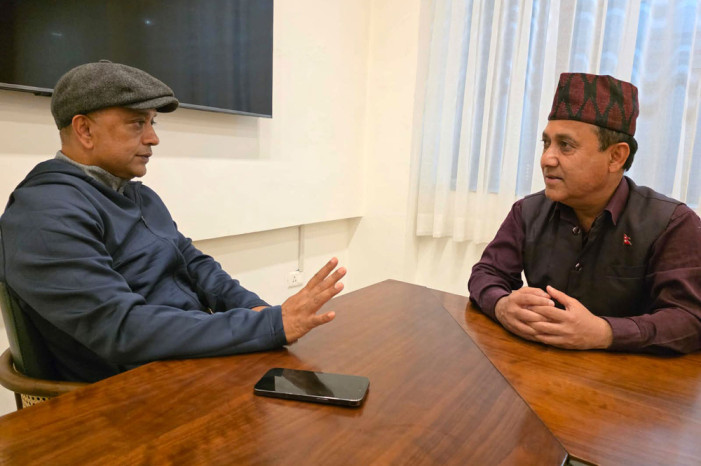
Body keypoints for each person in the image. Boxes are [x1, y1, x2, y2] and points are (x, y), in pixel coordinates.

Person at [0, 61, 346, 382]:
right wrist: (267, 325)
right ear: (85, 130)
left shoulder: (140, 196)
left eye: (152, 123)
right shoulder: (44, 214)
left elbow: (196, 265)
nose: (153, 138)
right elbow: (122, 329)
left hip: (185, 364)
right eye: (137, 123)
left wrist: (253, 308)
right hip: (130, 394)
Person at [468, 72, 701, 354]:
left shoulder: (671, 223)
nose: (546, 159)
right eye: (546, 143)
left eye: (565, 146)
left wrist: (604, 333)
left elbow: (689, 319)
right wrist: (502, 305)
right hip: (538, 366)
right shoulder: (528, 211)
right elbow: (487, 273)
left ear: (616, 157)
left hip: (629, 375)